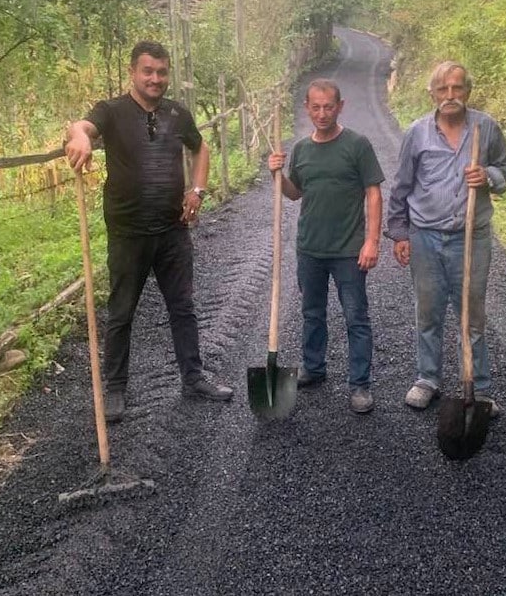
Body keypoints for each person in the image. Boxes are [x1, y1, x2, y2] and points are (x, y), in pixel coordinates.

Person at [65, 40, 232, 423]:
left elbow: (200, 148)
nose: (155, 79)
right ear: (133, 72)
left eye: (161, 72)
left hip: (173, 232)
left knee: (184, 307)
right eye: (148, 71)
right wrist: (78, 136)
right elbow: (84, 127)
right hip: (128, 234)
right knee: (122, 312)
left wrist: (197, 190)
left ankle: (193, 378)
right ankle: (116, 391)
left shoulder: (178, 113)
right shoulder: (112, 112)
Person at [386, 61, 506, 416]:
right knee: (427, 312)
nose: (450, 96)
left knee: (471, 315)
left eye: (457, 88)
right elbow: (401, 186)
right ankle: (427, 379)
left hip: (471, 238)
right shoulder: (417, 133)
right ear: (432, 94)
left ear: (468, 91)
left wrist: (487, 175)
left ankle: (480, 389)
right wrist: (399, 232)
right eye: (443, 90)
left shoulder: (485, 128)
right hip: (425, 236)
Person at [267, 79, 384, 413]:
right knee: (312, 313)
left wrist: (372, 241)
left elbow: (374, 194)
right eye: (315, 107)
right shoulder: (302, 149)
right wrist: (278, 174)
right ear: (307, 107)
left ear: (340, 106)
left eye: (328, 107)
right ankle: (314, 368)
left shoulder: (357, 145)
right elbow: (294, 193)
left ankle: (360, 385)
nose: (322, 113)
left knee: (355, 317)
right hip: (310, 249)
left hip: (349, 250)